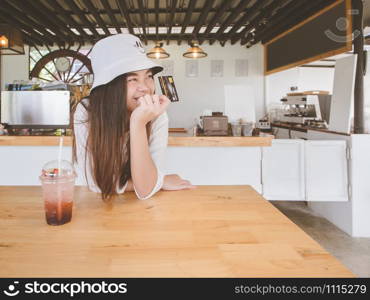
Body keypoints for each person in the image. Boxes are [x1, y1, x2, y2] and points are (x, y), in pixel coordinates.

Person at [73, 34, 195, 201]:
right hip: (95, 208)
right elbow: (96, 184)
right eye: (132, 79)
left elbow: (145, 190)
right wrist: (159, 181)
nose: (145, 87)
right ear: (110, 86)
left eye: (149, 76)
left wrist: (138, 123)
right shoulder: (87, 111)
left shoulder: (157, 115)